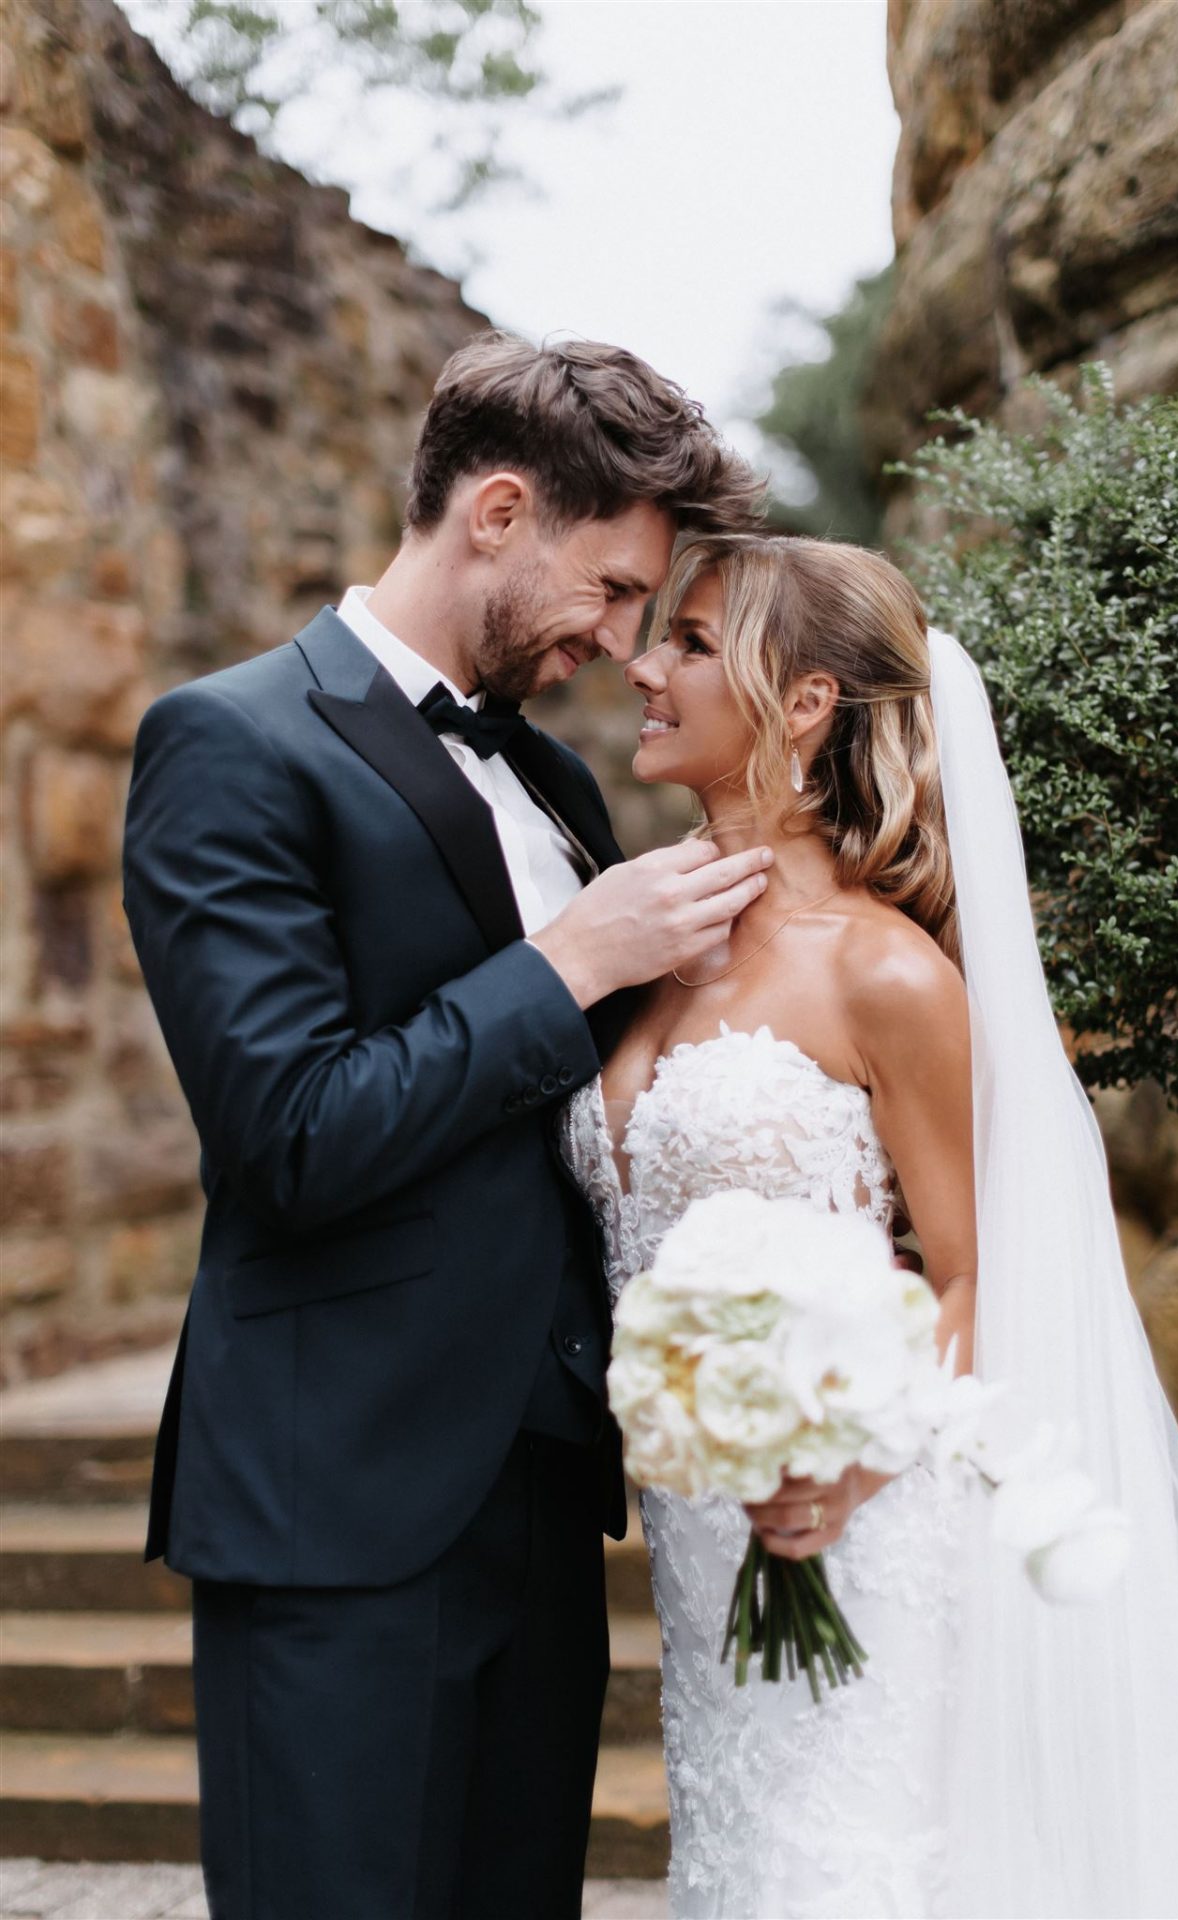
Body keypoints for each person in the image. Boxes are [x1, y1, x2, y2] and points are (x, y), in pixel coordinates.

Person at [122, 332, 772, 1920]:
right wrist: (570, 965)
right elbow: (291, 1134)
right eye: (612, 590)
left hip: (547, 1497)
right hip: (336, 1504)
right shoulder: (229, 743)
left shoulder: (556, 785)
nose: (618, 643)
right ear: (496, 513)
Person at [557, 532, 1178, 1919]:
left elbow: (969, 1281)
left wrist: (848, 1463)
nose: (642, 668)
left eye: (691, 644)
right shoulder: (639, 938)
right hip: (699, 1547)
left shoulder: (885, 974)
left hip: (854, 1531)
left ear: (805, 703)